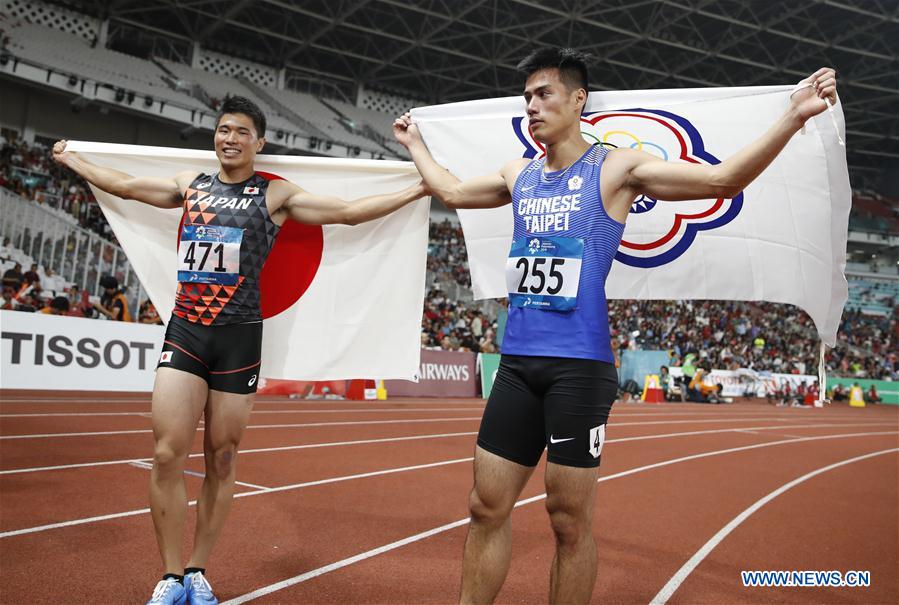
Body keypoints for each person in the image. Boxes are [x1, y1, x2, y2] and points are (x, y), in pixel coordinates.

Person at [394, 47, 837, 604]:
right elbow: (455, 193)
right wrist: (414, 145)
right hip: (516, 366)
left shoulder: (617, 168)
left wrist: (793, 116)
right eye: (526, 97)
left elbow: (723, 180)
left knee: (567, 521)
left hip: (579, 369)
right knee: (485, 506)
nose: (531, 106)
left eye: (544, 94)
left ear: (578, 100)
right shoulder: (519, 173)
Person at [52, 95, 427, 605]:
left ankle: (198, 569)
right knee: (166, 454)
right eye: (223, 129)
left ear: (259, 142)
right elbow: (128, 186)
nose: (229, 138)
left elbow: (349, 212)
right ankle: (169, 577)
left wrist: (418, 187)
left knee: (222, 458)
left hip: (239, 338)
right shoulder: (192, 185)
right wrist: (74, 160)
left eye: (240, 132)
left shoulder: (273, 197)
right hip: (186, 330)